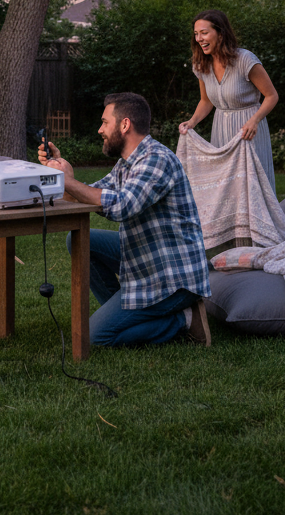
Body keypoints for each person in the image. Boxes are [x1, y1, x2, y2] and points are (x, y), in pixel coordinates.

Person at [39, 92, 212, 347]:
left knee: (95, 337)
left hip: (173, 277)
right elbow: (90, 196)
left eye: (104, 122)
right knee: (80, 241)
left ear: (125, 124)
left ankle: (183, 320)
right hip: (145, 258)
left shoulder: (156, 160)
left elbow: (121, 206)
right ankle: (127, 311)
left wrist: (69, 182)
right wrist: (63, 173)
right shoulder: (126, 164)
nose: (100, 129)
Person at [178, 9, 280, 193]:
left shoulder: (245, 59)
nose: (199, 38)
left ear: (221, 33)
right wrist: (192, 122)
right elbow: (206, 101)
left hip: (248, 129)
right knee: (226, 189)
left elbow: (272, 95)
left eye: (204, 32)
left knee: (253, 187)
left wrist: (254, 120)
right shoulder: (201, 64)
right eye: (196, 34)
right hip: (221, 130)